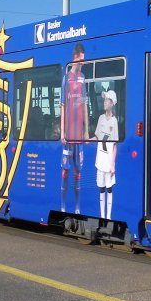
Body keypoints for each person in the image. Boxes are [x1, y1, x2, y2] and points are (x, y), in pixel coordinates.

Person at [60, 42, 88, 213]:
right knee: (65, 171)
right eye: (80, 59)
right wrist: (63, 132)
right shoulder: (66, 79)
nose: (82, 62)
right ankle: (63, 206)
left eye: (83, 60)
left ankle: (77, 207)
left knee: (78, 171)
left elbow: (84, 104)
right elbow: (62, 105)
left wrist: (86, 130)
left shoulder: (83, 78)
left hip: (79, 134)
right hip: (69, 134)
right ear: (74, 58)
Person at [93, 89, 118, 220]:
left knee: (109, 189)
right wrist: (85, 139)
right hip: (100, 160)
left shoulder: (114, 121)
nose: (104, 102)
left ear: (112, 103)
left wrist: (113, 164)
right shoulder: (100, 118)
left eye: (107, 100)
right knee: (101, 188)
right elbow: (96, 136)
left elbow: (114, 145)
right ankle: (102, 216)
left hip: (108, 162)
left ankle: (108, 216)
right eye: (104, 100)